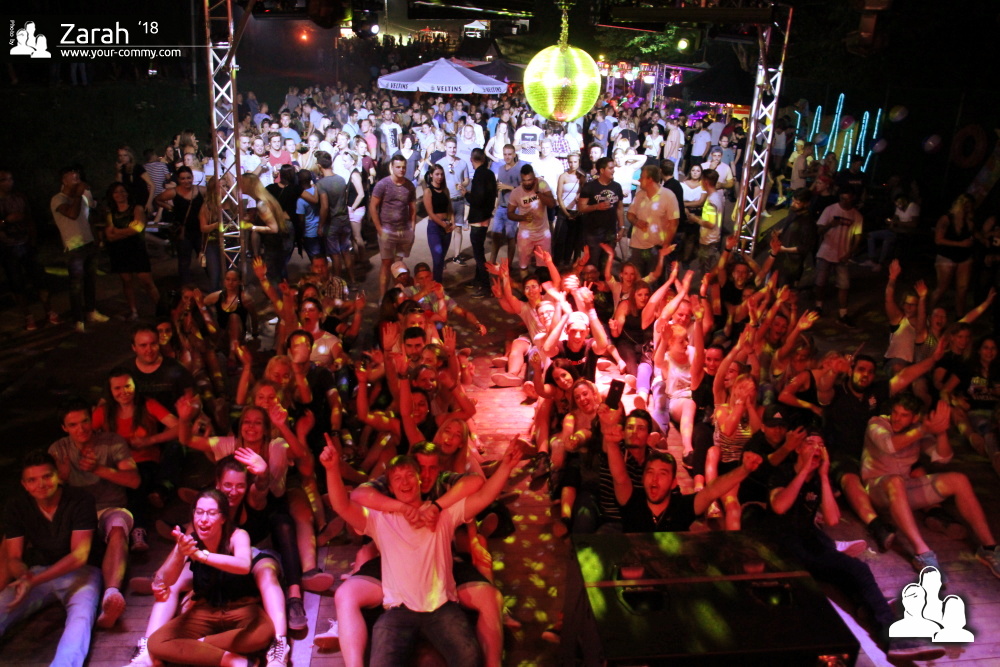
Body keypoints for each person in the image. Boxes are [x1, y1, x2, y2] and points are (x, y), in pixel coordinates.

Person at [319, 439, 488, 667]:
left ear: (420, 478)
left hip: (441, 605)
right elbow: (345, 503)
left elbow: (479, 487)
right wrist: (331, 469)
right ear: (390, 486)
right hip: (398, 608)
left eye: (410, 475)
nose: (406, 481)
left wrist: (437, 507)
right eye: (398, 478)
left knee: (469, 658)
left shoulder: (442, 508)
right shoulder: (382, 516)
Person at [861, 394, 1000, 579]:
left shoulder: (918, 430)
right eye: (895, 412)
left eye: (904, 415)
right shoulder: (877, 423)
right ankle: (922, 553)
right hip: (876, 491)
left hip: (901, 490)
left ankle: (989, 548)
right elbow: (888, 445)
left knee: (959, 480)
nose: (897, 418)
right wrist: (925, 428)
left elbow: (943, 457)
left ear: (915, 418)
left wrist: (941, 431)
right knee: (895, 481)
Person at [147, 489, 275, 667]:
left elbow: (243, 565)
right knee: (156, 642)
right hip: (205, 611)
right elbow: (164, 580)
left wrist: (202, 556)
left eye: (211, 513)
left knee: (262, 634)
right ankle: (234, 660)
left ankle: (197, 647)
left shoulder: (237, 536)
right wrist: (179, 552)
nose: (203, 519)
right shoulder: (190, 541)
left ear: (223, 518)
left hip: (242, 608)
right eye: (199, 512)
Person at [0, 450, 103, 667]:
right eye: (32, 480)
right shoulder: (17, 506)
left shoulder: (80, 499)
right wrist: (24, 576)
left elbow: (79, 556)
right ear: (24, 484)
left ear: (58, 476)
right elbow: (14, 556)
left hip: (82, 573)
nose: (41, 484)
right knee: (3, 604)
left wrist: (33, 581)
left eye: (47, 476)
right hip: (38, 570)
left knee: (80, 619)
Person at [48, 399, 140, 629]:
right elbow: (46, 496)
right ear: (64, 427)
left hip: (110, 507)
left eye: (85, 421)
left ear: (92, 420)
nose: (81, 429)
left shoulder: (112, 442)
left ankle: (112, 594)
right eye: (73, 425)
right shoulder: (58, 450)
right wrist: (62, 480)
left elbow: (134, 480)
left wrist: (98, 469)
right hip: (77, 514)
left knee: (118, 528)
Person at [51, 166, 109, 332]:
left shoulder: (82, 198)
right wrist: (78, 195)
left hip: (89, 243)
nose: (78, 181)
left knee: (90, 280)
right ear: (64, 181)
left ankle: (91, 311)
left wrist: (96, 239)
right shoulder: (58, 199)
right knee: (76, 284)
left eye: (78, 178)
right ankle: (78, 319)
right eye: (74, 178)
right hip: (74, 247)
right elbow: (72, 214)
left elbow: (87, 219)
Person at [0, 168, 56, 330]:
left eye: (10, 179)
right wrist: (6, 221)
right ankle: (28, 316)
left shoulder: (19, 198)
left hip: (25, 243)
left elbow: (30, 219)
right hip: (7, 247)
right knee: (17, 283)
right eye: (4, 180)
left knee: (39, 278)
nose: (9, 183)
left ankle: (49, 311)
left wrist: (33, 240)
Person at [103, 183, 160, 320]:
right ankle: (133, 311)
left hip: (136, 249)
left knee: (147, 282)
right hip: (120, 251)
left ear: (127, 193)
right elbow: (110, 236)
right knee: (127, 282)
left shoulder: (137, 209)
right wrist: (128, 231)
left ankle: (161, 309)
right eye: (116, 192)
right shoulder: (111, 214)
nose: (119, 194)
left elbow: (138, 228)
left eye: (122, 191)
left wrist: (118, 231)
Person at [814, 188, 863, 326]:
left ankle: (843, 313)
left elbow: (858, 236)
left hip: (842, 255)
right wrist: (831, 225)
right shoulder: (830, 209)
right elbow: (819, 230)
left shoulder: (856, 215)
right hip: (826, 252)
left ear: (852, 198)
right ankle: (818, 306)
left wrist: (850, 252)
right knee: (820, 282)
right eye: (842, 199)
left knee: (844, 285)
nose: (845, 202)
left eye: (847, 199)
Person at [370, 154, 417, 297]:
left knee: (398, 266)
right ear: (392, 167)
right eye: (398, 167)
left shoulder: (409, 185)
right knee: (386, 263)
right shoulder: (383, 184)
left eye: (403, 167)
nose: (401, 170)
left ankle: (396, 296)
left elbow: (412, 209)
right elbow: (373, 207)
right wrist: (379, 229)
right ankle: (384, 298)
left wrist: (412, 228)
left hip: (403, 231)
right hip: (387, 231)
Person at [626, 165, 679, 275]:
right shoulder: (639, 195)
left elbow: (673, 224)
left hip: (655, 248)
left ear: (650, 179)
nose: (639, 180)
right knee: (636, 280)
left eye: (642, 177)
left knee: (653, 280)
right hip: (637, 246)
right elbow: (630, 214)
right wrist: (636, 222)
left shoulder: (668, 196)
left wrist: (665, 246)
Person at [507, 164, 556, 276]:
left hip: (543, 233)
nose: (527, 183)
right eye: (524, 180)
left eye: (529, 180)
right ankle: (526, 285)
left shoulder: (542, 184)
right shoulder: (516, 192)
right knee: (523, 265)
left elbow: (552, 204)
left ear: (534, 177)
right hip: (525, 235)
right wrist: (522, 217)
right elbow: (509, 214)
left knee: (544, 266)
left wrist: (538, 192)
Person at [577, 157, 624, 269]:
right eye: (610, 168)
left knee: (607, 265)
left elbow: (619, 208)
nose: (613, 170)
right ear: (602, 170)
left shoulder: (617, 186)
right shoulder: (590, 187)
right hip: (593, 233)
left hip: (610, 233)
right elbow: (581, 207)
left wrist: (621, 227)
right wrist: (596, 206)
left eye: (613, 168)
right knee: (592, 265)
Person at [465, 148, 497, 298]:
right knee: (479, 250)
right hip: (486, 217)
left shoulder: (478, 175)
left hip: (478, 218)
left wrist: (466, 194)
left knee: (478, 254)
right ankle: (478, 279)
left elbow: (476, 199)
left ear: (472, 160)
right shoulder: (490, 174)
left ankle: (486, 286)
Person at [489, 144, 525, 265]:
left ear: (514, 154)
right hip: (501, 207)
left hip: (513, 208)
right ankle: (492, 262)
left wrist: (508, 187)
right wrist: (496, 205)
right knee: (495, 235)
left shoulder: (519, 169)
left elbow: (523, 190)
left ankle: (509, 265)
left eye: (509, 154)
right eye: (505, 154)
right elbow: (499, 190)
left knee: (510, 237)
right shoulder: (500, 169)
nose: (507, 157)